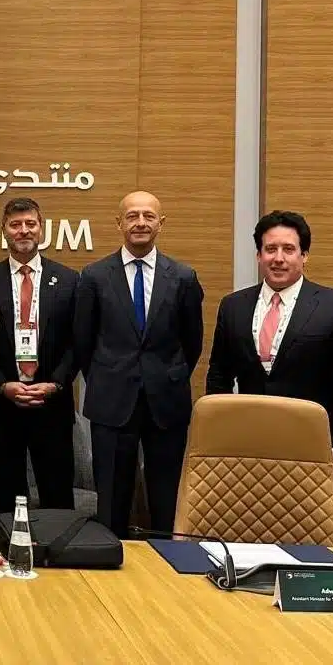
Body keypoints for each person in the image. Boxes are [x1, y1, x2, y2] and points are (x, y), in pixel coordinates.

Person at [74, 190, 204, 538]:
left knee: (166, 495)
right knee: (111, 498)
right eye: (132, 216)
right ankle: (109, 556)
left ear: (162, 223)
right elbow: (83, 342)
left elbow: (192, 342)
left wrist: (168, 375)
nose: (141, 223)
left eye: (149, 216)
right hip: (111, 400)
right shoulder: (94, 276)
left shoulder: (183, 276)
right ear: (119, 223)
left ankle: (166, 560)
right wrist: (108, 377)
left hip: (167, 402)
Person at [206, 210, 333, 476]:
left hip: (314, 448)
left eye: (289, 249)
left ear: (304, 255)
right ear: (259, 255)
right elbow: (218, 378)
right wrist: (220, 436)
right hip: (246, 446)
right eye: (270, 249)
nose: (278, 258)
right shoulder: (233, 306)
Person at [0, 198, 79, 513]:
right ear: (4, 231)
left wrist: (56, 384)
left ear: (41, 228)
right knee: (5, 494)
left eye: (30, 224)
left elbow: (78, 342)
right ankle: (4, 543)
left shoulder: (69, 280)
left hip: (52, 404)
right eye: (15, 225)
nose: (23, 230)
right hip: (2, 404)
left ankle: (59, 545)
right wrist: (1, 385)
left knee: (57, 493)